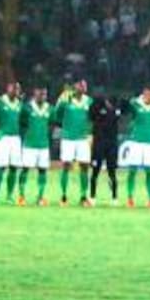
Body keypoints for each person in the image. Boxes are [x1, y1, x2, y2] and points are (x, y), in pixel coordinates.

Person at [54, 79, 93, 207]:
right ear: (75, 86)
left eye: (85, 85)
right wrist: (61, 102)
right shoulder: (66, 99)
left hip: (83, 138)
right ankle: (63, 196)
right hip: (68, 138)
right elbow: (56, 115)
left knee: (85, 166)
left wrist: (90, 133)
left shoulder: (89, 101)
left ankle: (83, 196)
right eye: (81, 85)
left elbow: (92, 118)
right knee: (66, 165)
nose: (83, 87)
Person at [124, 86, 150, 208]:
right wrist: (140, 99)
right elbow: (129, 105)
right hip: (137, 142)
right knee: (132, 170)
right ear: (145, 94)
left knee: (149, 171)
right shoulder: (136, 104)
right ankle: (130, 198)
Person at [0, 82, 24, 204]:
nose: (16, 91)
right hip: (3, 137)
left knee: (14, 167)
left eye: (18, 89)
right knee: (1, 166)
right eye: (13, 88)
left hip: (15, 137)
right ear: (7, 88)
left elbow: (22, 120)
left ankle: (9, 195)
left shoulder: (20, 103)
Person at [19, 86, 52, 206]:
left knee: (43, 170)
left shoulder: (49, 108)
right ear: (35, 93)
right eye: (40, 94)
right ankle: (21, 196)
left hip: (43, 145)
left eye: (45, 94)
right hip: (29, 144)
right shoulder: (27, 108)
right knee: (25, 169)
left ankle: (40, 197)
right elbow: (22, 123)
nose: (43, 96)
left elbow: (52, 123)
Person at [90, 94, 124, 204]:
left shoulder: (116, 112)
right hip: (99, 144)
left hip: (112, 145)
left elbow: (125, 108)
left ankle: (114, 197)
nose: (109, 104)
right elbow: (91, 114)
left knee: (112, 172)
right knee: (95, 171)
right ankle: (92, 197)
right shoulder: (97, 109)